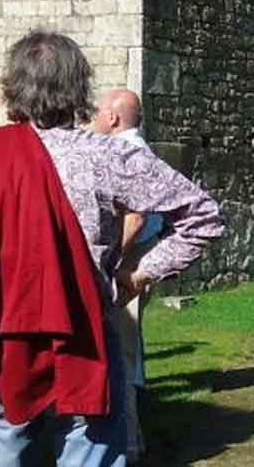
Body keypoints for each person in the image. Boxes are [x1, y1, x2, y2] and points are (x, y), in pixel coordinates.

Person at [0, 30, 224, 466]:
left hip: (3, 335)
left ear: (13, 87)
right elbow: (204, 217)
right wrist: (136, 273)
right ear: (79, 87)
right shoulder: (107, 156)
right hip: (82, 329)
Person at [91, 87, 165, 465]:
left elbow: (135, 217)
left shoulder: (127, 153)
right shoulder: (140, 151)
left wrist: (110, 259)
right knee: (126, 348)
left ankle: (128, 443)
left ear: (114, 118)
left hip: (127, 265)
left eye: (98, 111)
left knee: (120, 351)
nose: (94, 117)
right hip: (137, 261)